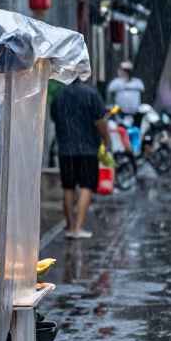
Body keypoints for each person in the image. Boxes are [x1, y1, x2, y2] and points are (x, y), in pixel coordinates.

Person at [50, 77, 110, 239]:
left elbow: (54, 118)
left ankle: (70, 227)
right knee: (85, 186)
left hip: (66, 150)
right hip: (87, 149)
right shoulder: (91, 94)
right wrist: (107, 140)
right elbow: (100, 121)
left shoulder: (60, 95)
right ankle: (79, 227)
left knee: (68, 188)